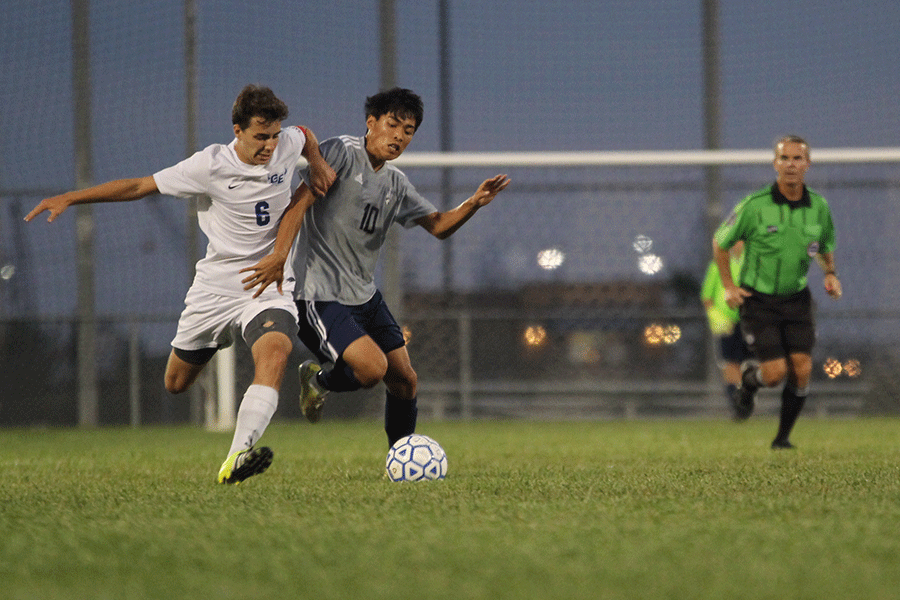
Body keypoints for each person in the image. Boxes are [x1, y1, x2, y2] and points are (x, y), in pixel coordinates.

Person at [25, 84, 336, 483]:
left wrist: (318, 163)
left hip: (268, 283)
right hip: (216, 289)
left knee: (276, 352)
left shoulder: (287, 143)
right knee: (176, 383)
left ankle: (237, 457)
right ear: (237, 130)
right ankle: (214, 353)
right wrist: (71, 197)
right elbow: (139, 186)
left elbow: (305, 134)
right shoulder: (209, 166)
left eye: (275, 135)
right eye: (261, 136)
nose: (270, 145)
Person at [241, 87, 510, 448]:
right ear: (372, 122)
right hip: (318, 296)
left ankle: (399, 459)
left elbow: (439, 226)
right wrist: (278, 255)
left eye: (409, 130)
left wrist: (473, 203)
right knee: (371, 369)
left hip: (365, 297)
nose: (399, 136)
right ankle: (318, 381)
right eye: (393, 124)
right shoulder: (340, 153)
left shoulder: (396, 183)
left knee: (405, 381)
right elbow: (298, 204)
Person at [712, 135, 842, 449]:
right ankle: (749, 381)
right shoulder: (755, 205)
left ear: (807, 165)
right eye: (785, 159)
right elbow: (720, 243)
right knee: (774, 375)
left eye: (798, 159)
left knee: (803, 367)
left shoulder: (819, 207)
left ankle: (782, 439)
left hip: (797, 300)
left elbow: (824, 247)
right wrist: (729, 287)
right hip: (759, 301)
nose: (791, 165)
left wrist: (830, 273)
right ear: (775, 164)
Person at [700, 241, 753, 419]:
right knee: (731, 363)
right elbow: (707, 297)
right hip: (728, 323)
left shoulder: (754, 262)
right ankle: (737, 404)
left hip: (752, 321)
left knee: (754, 362)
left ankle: (748, 395)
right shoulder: (718, 264)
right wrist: (718, 319)